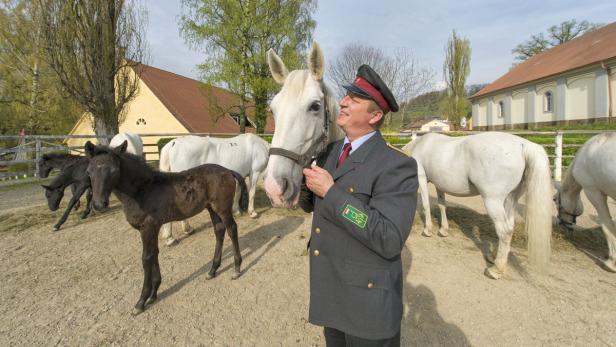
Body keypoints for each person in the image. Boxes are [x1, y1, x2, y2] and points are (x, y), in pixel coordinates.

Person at [301, 64, 419, 346]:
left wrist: (331, 192)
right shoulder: (330, 151)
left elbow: (389, 238)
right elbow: (311, 205)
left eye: (354, 100)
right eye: (345, 97)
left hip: (367, 307)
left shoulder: (397, 165)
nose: (342, 102)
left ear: (375, 115)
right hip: (332, 294)